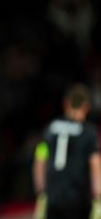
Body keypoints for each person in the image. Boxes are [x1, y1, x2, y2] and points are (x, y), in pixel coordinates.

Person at [33, 83, 101, 219]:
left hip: (53, 198)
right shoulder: (88, 132)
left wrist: (41, 192)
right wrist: (98, 196)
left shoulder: (50, 128)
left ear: (65, 103)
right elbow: (95, 164)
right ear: (86, 106)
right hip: (79, 199)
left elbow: (40, 159)